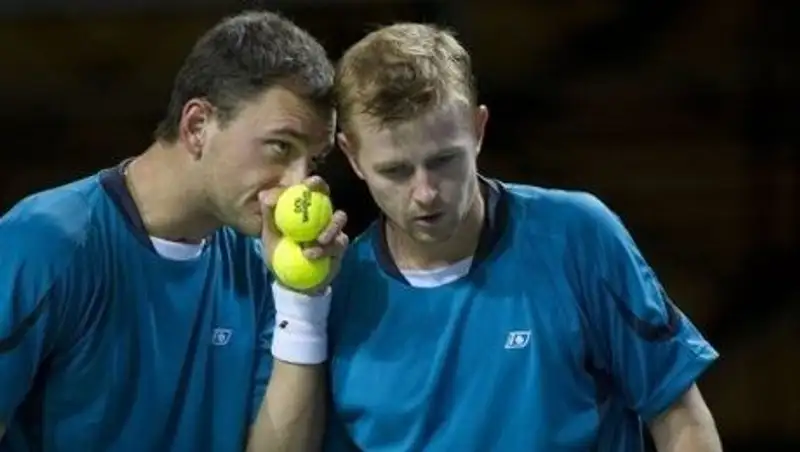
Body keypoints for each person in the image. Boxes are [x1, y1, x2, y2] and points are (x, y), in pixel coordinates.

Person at [319, 23, 723, 451]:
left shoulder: (578, 235)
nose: (425, 193)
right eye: (396, 171)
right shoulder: (337, 289)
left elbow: (682, 420)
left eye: (443, 160)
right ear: (352, 156)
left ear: (478, 129)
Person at [0, 10, 347, 452]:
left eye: (313, 161)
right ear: (197, 126)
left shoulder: (267, 261)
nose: (298, 184)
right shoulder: (44, 242)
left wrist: (302, 301)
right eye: (281, 146)